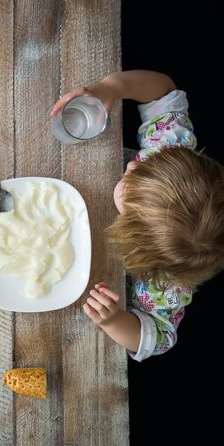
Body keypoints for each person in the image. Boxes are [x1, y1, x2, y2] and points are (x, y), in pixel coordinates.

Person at [51, 70, 224, 361]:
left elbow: (159, 338)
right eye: (143, 167)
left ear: (134, 241)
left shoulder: (165, 284)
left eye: (129, 193)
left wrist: (114, 321)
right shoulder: (170, 148)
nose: (130, 169)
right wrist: (111, 88)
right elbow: (163, 92)